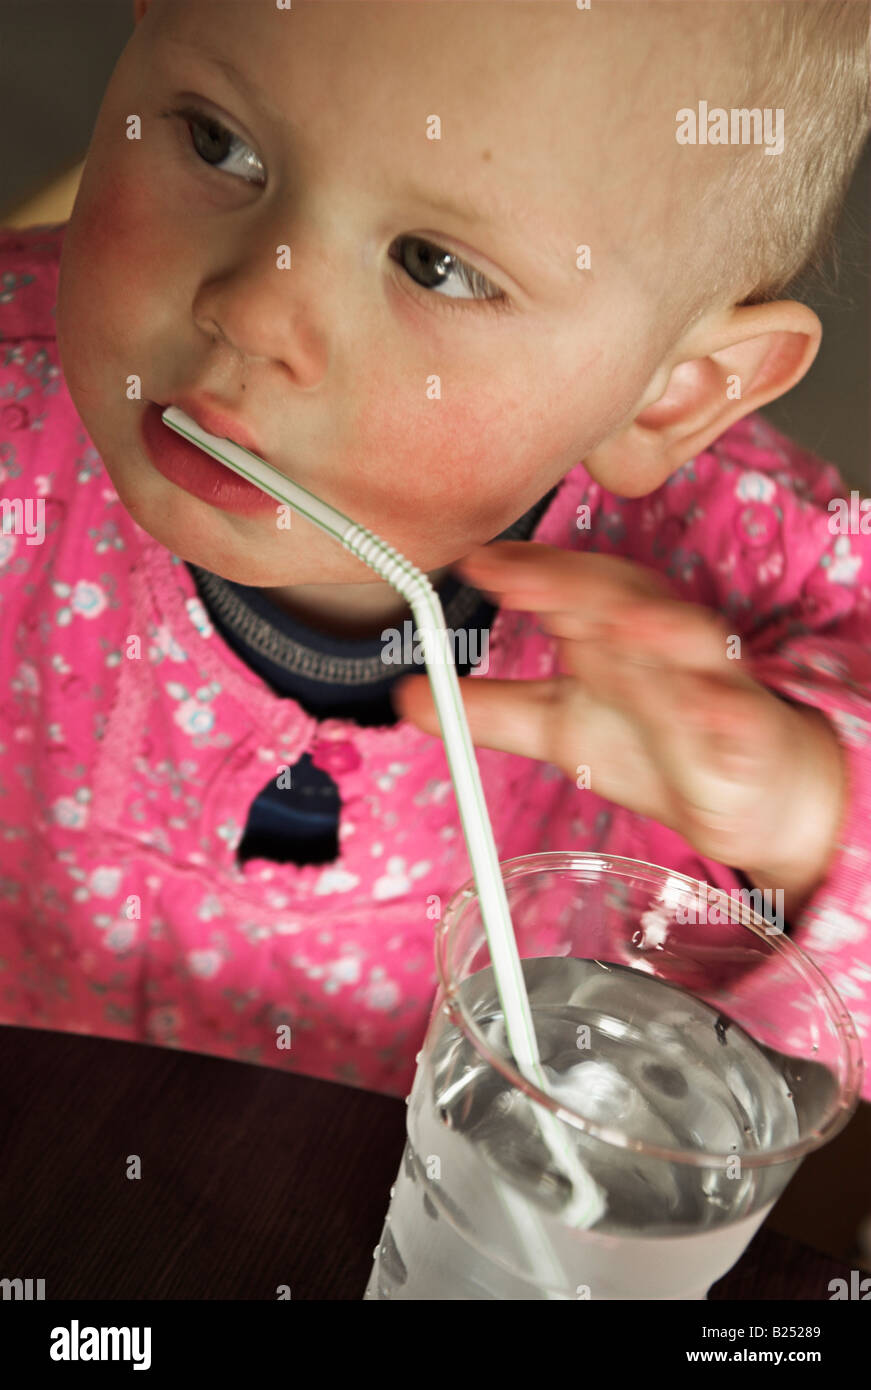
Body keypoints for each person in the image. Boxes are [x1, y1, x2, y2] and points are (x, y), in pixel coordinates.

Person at [1, 0, 870, 1103]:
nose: (255, 310)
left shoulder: (763, 570)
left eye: (434, 264)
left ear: (671, 394)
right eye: (220, 141)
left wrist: (803, 809)